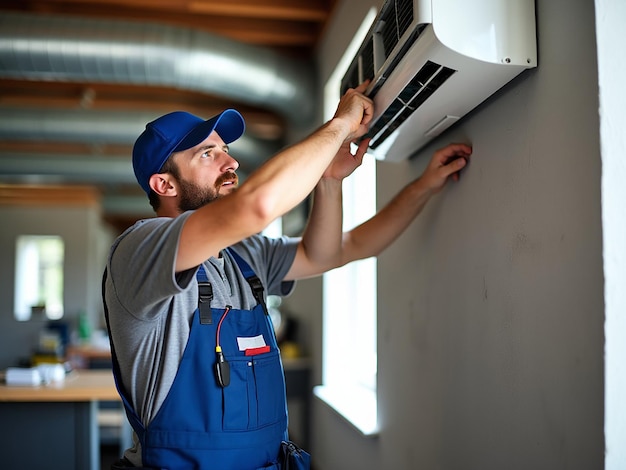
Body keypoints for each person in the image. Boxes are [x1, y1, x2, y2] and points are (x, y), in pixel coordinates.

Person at [102, 81, 472, 469]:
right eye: (207, 154)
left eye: (226, 150)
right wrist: (339, 125)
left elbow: (335, 251)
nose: (231, 164)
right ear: (165, 184)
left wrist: (348, 182)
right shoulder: (139, 250)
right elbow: (258, 205)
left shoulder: (243, 256)